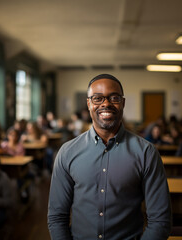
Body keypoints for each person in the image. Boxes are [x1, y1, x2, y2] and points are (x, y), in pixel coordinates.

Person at [48, 74, 171, 240]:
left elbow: (160, 220)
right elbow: (57, 217)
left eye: (114, 97)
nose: (106, 103)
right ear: (89, 103)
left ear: (123, 103)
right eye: (97, 98)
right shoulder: (67, 152)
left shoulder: (146, 153)